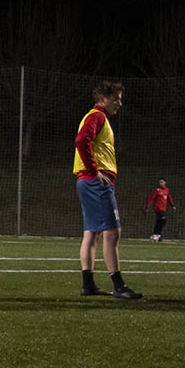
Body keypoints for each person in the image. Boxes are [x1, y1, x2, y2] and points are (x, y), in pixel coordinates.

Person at [75, 80, 142, 298]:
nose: (119, 104)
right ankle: (119, 286)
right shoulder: (97, 116)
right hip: (96, 182)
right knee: (112, 232)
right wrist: (94, 171)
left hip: (86, 182)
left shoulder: (93, 116)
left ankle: (88, 285)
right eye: (116, 99)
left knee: (91, 233)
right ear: (103, 99)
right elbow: (81, 140)